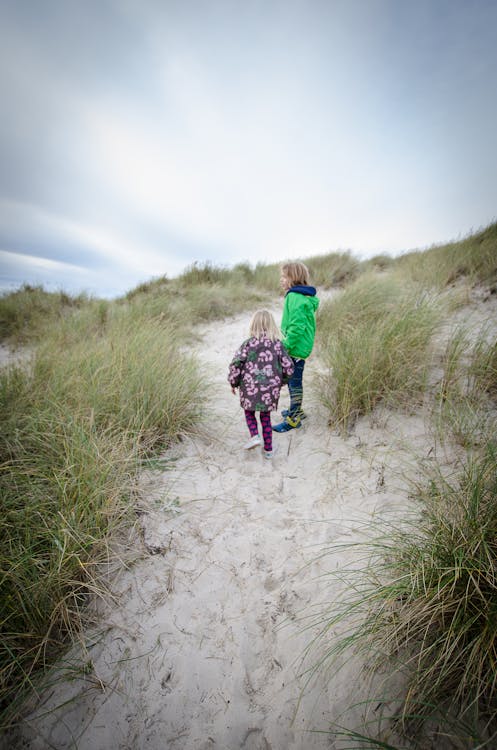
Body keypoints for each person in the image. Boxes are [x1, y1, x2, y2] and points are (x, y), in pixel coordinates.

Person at [228, 310, 294, 459]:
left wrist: (233, 382)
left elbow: (236, 364)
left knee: (249, 412)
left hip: (249, 386)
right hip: (270, 389)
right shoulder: (278, 345)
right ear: (272, 325)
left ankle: (255, 436)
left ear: (253, 325)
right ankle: (269, 450)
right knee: (265, 417)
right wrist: (280, 382)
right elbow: (289, 367)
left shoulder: (248, 344)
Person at [272, 261, 319, 433]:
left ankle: (294, 419)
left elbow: (297, 327)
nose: (281, 280)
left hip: (296, 348)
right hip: (299, 346)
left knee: (294, 382)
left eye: (285, 276)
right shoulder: (300, 296)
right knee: (294, 380)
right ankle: (297, 410)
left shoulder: (295, 297)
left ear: (294, 278)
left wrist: (285, 345)